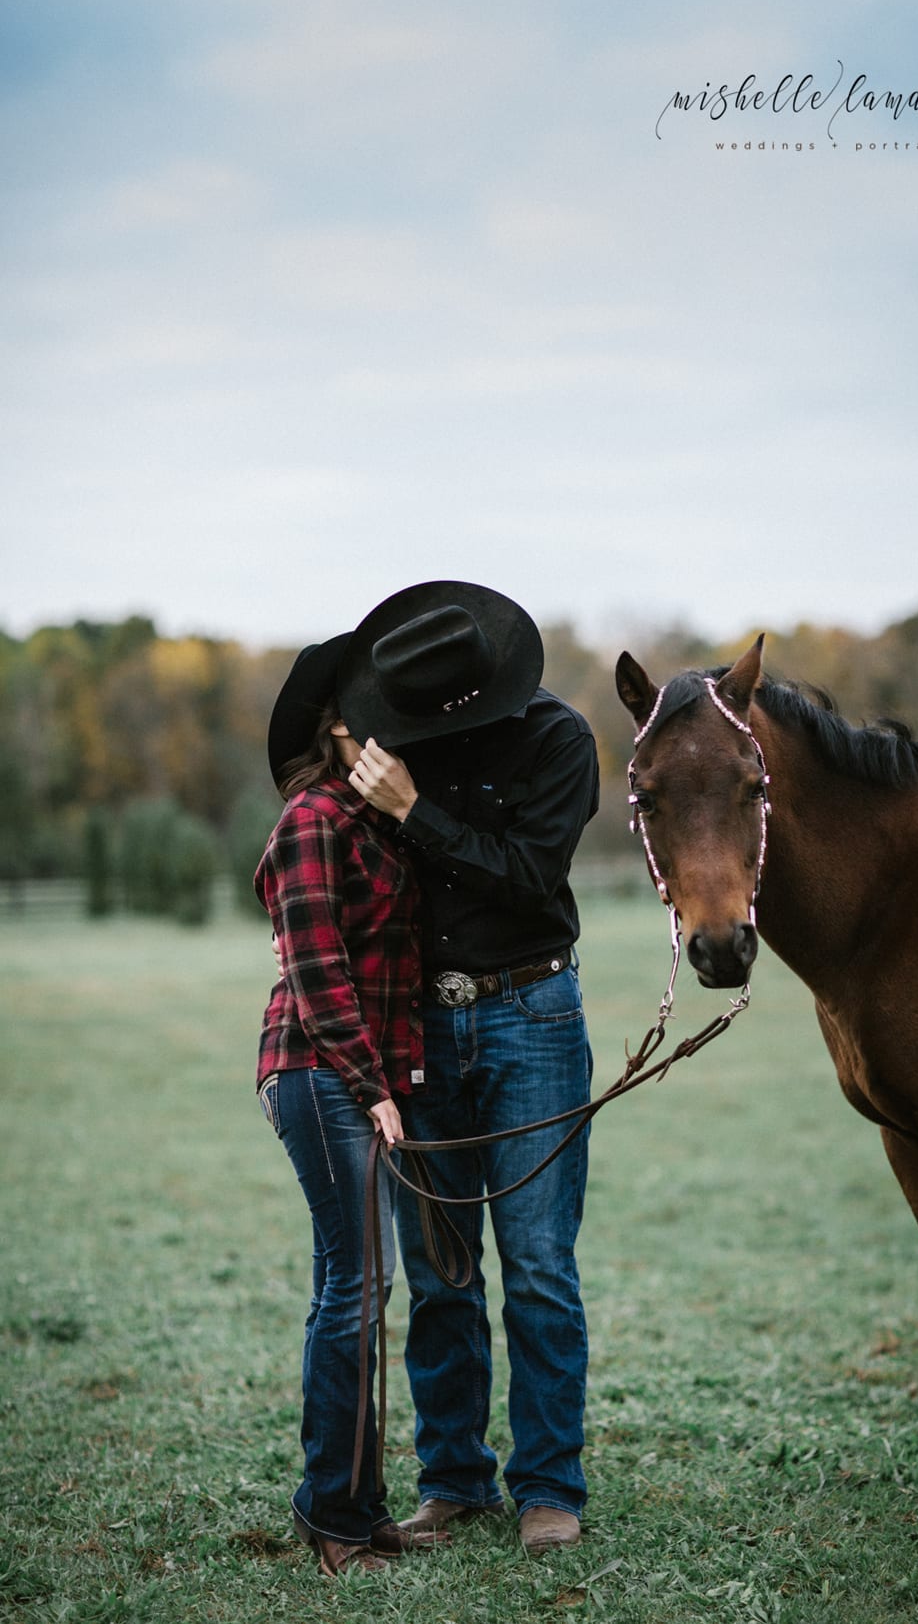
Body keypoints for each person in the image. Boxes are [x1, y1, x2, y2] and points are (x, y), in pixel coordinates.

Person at [334, 581, 600, 1555]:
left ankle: (547, 1491)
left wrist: (415, 813)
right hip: (419, 1030)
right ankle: (452, 1481)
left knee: (535, 1266)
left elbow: (532, 875)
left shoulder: (557, 741)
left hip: (531, 1009)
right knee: (440, 1273)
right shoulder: (394, 740)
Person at [254, 633, 447, 1577]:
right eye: (369, 716)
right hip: (317, 1073)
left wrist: (395, 1083)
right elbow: (319, 970)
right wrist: (375, 1091)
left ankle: (360, 1505)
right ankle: (331, 1513)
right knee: (354, 1286)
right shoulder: (311, 823)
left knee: (365, 1289)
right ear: (333, 731)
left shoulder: (375, 822)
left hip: (360, 1076)